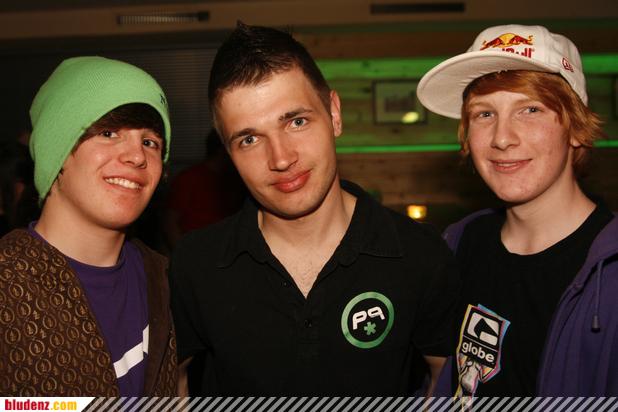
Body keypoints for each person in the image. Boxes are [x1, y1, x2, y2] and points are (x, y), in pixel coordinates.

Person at [169, 22, 460, 396]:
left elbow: (445, 378)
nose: (281, 158)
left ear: (334, 114)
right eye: (249, 139)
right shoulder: (196, 264)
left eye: (296, 121)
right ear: (228, 152)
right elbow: (172, 380)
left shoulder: (420, 253)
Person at [417, 24, 617, 399]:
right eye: (484, 114)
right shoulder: (457, 245)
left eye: (530, 109)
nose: (502, 138)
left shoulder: (609, 271)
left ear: (576, 129)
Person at [0, 56, 178, 396]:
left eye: (150, 142)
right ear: (56, 151)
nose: (137, 156)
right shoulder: (9, 284)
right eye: (108, 133)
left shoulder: (164, 278)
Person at [163, 129, 246, 249]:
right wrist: (182, 253)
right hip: (195, 248)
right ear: (222, 150)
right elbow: (170, 221)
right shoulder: (189, 178)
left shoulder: (235, 181)